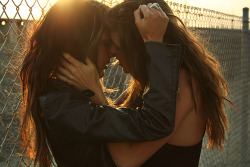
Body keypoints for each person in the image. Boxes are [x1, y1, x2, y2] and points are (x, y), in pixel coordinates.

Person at [57, 0, 235, 166]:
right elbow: (115, 121)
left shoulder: (184, 84)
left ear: (139, 46)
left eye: (119, 47)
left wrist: (96, 93)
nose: (113, 55)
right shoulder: (150, 84)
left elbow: (127, 159)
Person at [20, 0, 184, 166]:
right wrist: (155, 42)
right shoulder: (64, 106)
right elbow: (157, 122)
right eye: (106, 43)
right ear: (81, 43)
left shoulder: (65, 96)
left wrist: (95, 93)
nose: (113, 53)